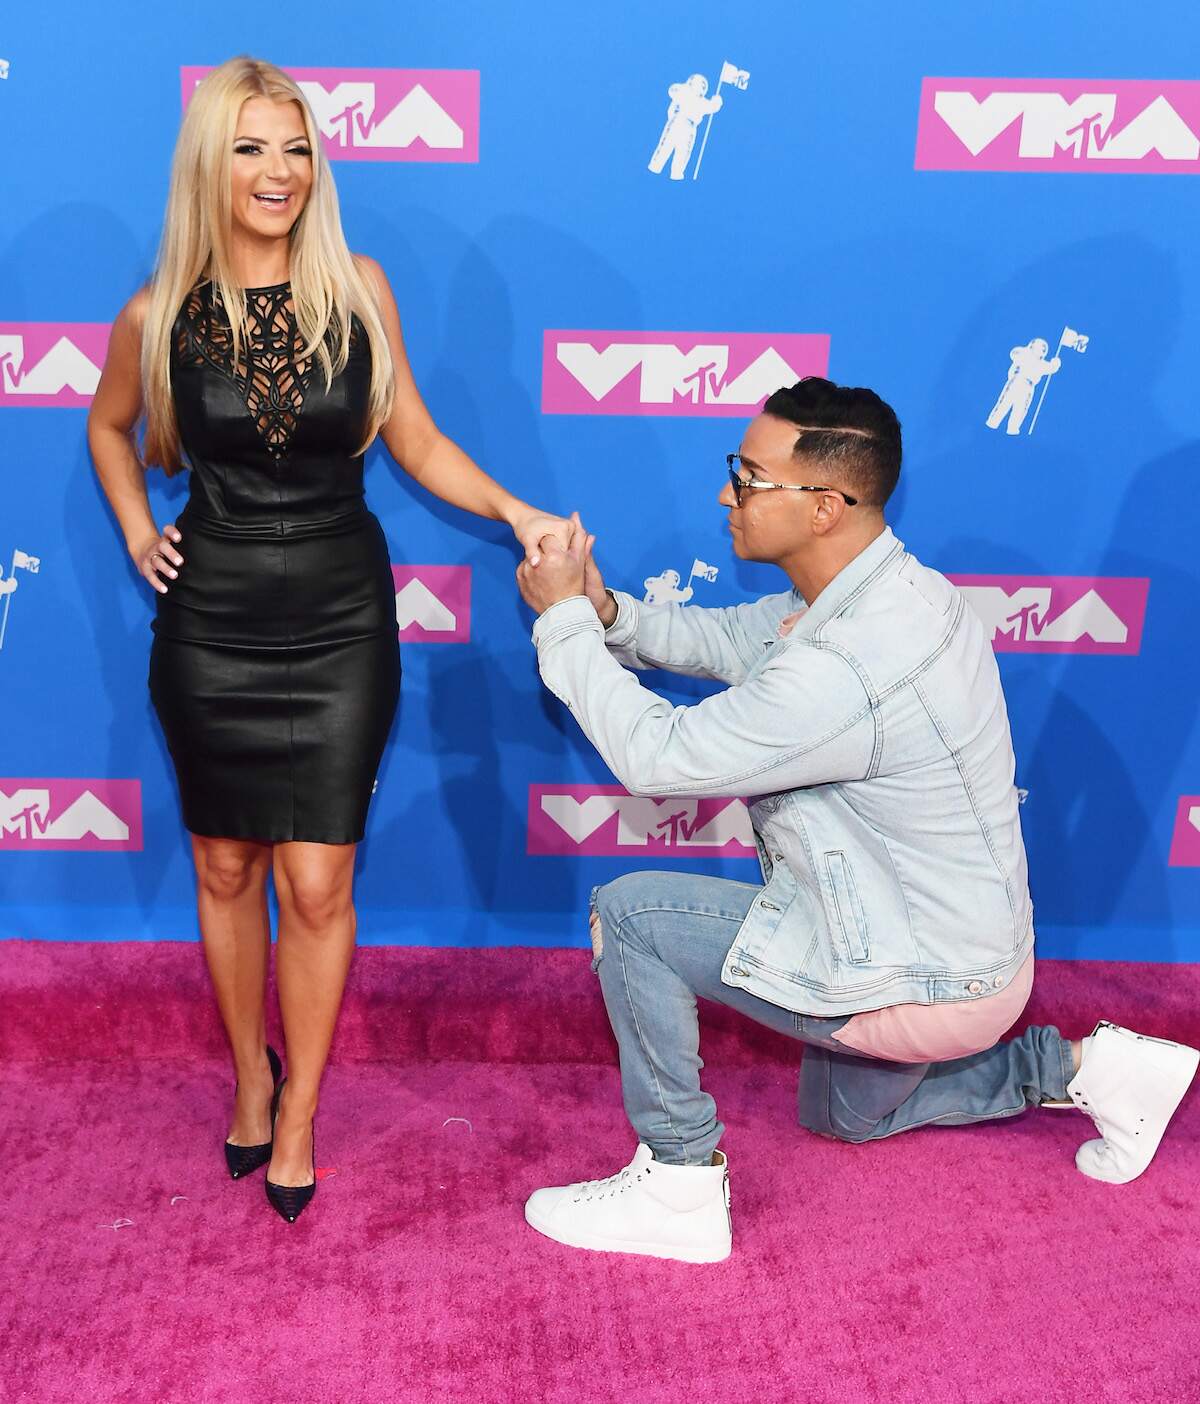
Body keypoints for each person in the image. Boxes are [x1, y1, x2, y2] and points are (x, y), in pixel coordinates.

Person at [514, 376, 1199, 1263]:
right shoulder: (894, 592)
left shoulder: (852, 665)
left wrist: (563, 621)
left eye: (750, 477)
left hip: (921, 977)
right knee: (838, 1113)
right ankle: (1081, 1070)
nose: (728, 493)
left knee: (635, 913)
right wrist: (607, 614)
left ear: (826, 506)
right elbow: (742, 642)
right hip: (966, 960)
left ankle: (678, 1185)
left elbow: (658, 761)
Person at [88, 56, 570, 1223]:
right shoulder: (157, 314)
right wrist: (135, 525)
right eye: (253, 147)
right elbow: (109, 427)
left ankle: (302, 1110)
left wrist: (515, 512)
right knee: (224, 865)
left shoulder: (359, 288)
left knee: (316, 879)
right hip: (210, 622)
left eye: (297, 148)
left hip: (342, 615)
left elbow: (417, 441)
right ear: (212, 160)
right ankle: (250, 1077)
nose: (279, 171)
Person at [986, 338, 1061, 435]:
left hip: (1028, 387)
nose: (1042, 350)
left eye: (1044, 349)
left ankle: (1012, 430)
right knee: (1004, 403)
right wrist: (1026, 352)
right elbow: (1014, 353)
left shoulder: (1041, 364)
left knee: (1020, 409)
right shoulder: (1024, 354)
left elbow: (1051, 368)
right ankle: (992, 423)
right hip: (1017, 381)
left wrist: (1055, 363)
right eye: (1041, 347)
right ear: (1033, 346)